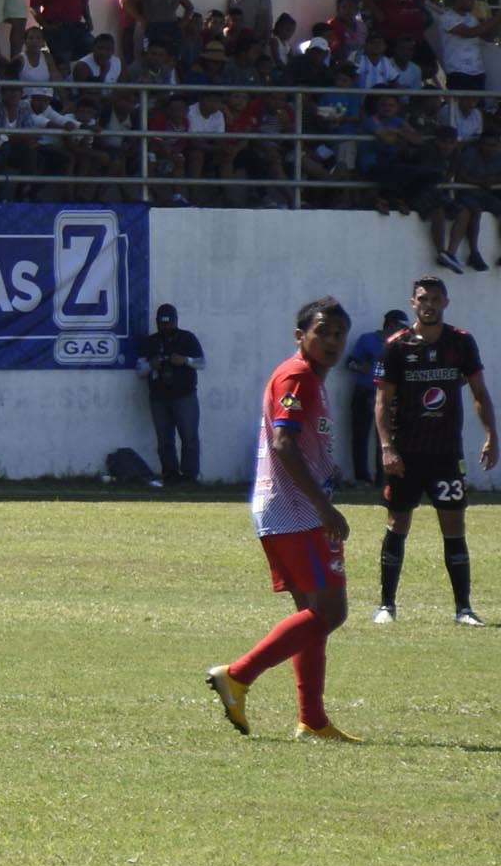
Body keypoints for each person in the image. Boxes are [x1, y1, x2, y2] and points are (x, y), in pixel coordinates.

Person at [207, 298, 358, 740]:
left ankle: (312, 719)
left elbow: (303, 443)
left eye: (338, 334)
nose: (332, 341)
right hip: (297, 513)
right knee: (331, 611)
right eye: (322, 332)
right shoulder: (297, 375)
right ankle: (237, 676)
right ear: (300, 336)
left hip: (287, 509)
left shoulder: (313, 378)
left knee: (311, 617)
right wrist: (324, 506)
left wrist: (329, 472)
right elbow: (284, 444)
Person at [372, 275, 495, 626]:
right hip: (406, 455)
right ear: (413, 303)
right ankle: (386, 605)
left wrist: (492, 435)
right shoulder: (396, 345)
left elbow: (479, 393)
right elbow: (382, 402)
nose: (429, 305)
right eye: (423, 299)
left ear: (445, 303)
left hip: (444, 453)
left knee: (454, 525)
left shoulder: (461, 343)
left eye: (436, 299)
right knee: (397, 522)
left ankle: (463, 609)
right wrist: (386, 447)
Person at [135, 303, 205, 487]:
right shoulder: (150, 342)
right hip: (159, 398)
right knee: (164, 440)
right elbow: (140, 370)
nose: (165, 327)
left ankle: (189, 477)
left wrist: (184, 360)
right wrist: (152, 365)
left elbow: (201, 362)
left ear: (175, 321)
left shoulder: (187, 339)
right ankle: (170, 476)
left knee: (189, 437)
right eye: (161, 324)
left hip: (184, 396)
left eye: (168, 323)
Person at [342, 308, 398, 485]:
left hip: (387, 395)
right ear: (390, 325)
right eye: (399, 327)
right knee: (361, 434)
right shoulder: (368, 340)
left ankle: (382, 477)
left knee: (384, 436)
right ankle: (362, 477)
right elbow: (350, 362)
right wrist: (361, 368)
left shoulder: (399, 344)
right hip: (365, 391)